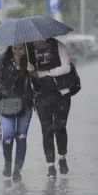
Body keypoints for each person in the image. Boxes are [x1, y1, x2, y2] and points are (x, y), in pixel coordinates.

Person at [0, 43, 35, 182]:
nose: (18, 51)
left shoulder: (30, 60)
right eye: (15, 48)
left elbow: (38, 84)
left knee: (21, 137)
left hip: (25, 104)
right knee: (7, 135)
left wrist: (32, 72)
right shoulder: (4, 61)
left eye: (21, 48)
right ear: (11, 48)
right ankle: (8, 163)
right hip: (7, 103)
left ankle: (17, 169)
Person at [30, 38, 72, 178]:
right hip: (41, 96)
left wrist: (47, 72)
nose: (34, 42)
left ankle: (62, 157)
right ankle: (50, 166)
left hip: (61, 93)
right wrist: (30, 70)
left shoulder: (57, 45)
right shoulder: (30, 50)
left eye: (35, 40)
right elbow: (27, 75)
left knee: (60, 127)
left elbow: (66, 67)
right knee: (47, 130)